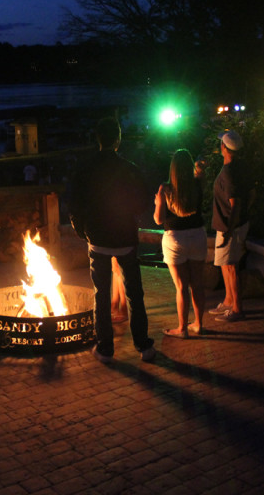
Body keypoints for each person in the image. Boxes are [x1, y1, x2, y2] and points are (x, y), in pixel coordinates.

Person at [69, 117, 156, 363]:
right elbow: (143, 201)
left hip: (97, 239)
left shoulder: (85, 169)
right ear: (118, 139)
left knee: (101, 294)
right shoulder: (129, 168)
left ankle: (105, 348)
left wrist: (81, 231)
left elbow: (74, 204)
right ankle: (143, 346)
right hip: (125, 238)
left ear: (98, 139)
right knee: (134, 294)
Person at [154, 149, 207, 338]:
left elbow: (158, 220)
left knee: (181, 287)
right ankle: (199, 324)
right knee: (198, 284)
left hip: (174, 238)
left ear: (173, 169)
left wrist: (157, 203)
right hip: (198, 236)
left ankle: (182, 328)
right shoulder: (198, 185)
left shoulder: (165, 189)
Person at [209, 130, 252, 322]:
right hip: (232, 224)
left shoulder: (228, 172)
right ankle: (228, 300)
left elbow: (236, 203)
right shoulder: (240, 167)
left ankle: (237, 309)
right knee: (225, 264)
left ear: (224, 148)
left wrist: (230, 228)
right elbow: (252, 194)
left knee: (231, 265)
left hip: (229, 225)